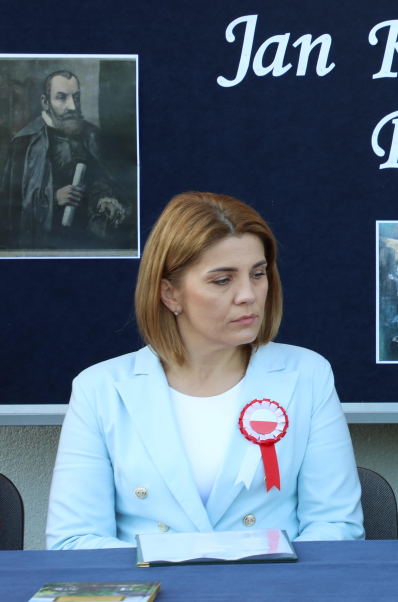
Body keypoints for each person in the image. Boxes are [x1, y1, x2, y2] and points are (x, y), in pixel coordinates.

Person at [46, 192, 363, 549]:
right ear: (170, 293)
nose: (248, 295)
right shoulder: (100, 389)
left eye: (258, 274)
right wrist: (181, 566)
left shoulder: (309, 375)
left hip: (274, 581)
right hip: (148, 582)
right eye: (222, 280)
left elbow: (336, 526)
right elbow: (73, 541)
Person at [0, 70, 132, 250]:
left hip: (86, 241)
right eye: (61, 98)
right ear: (45, 102)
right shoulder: (25, 142)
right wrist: (52, 197)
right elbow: (10, 205)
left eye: (76, 98)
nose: (72, 106)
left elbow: (105, 182)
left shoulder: (92, 136)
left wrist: (105, 200)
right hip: (46, 243)